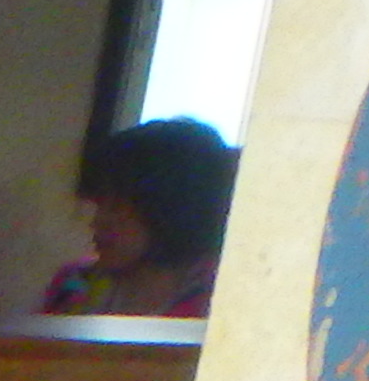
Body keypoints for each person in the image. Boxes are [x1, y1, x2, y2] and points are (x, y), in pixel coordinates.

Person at [45, 117, 236, 318]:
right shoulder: (73, 287)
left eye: (117, 206)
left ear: (170, 207)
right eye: (99, 204)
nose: (97, 221)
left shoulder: (223, 300)